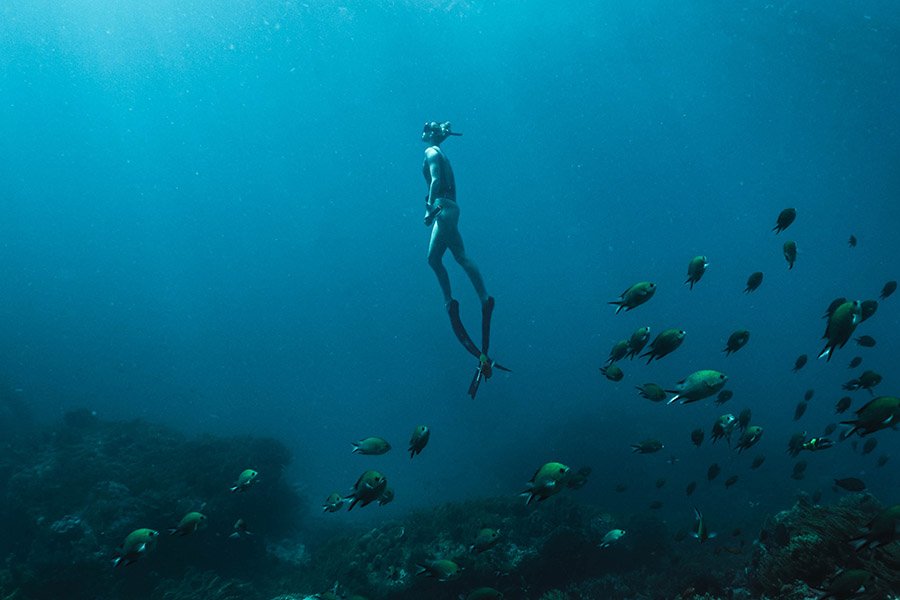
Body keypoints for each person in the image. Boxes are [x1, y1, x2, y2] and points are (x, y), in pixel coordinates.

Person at [421, 121, 508, 397]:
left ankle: (465, 300)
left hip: (442, 209)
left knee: (450, 257)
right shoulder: (443, 154)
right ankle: (471, 298)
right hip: (449, 208)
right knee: (441, 258)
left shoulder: (432, 153)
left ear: (432, 134)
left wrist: (428, 209)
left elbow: (435, 180)